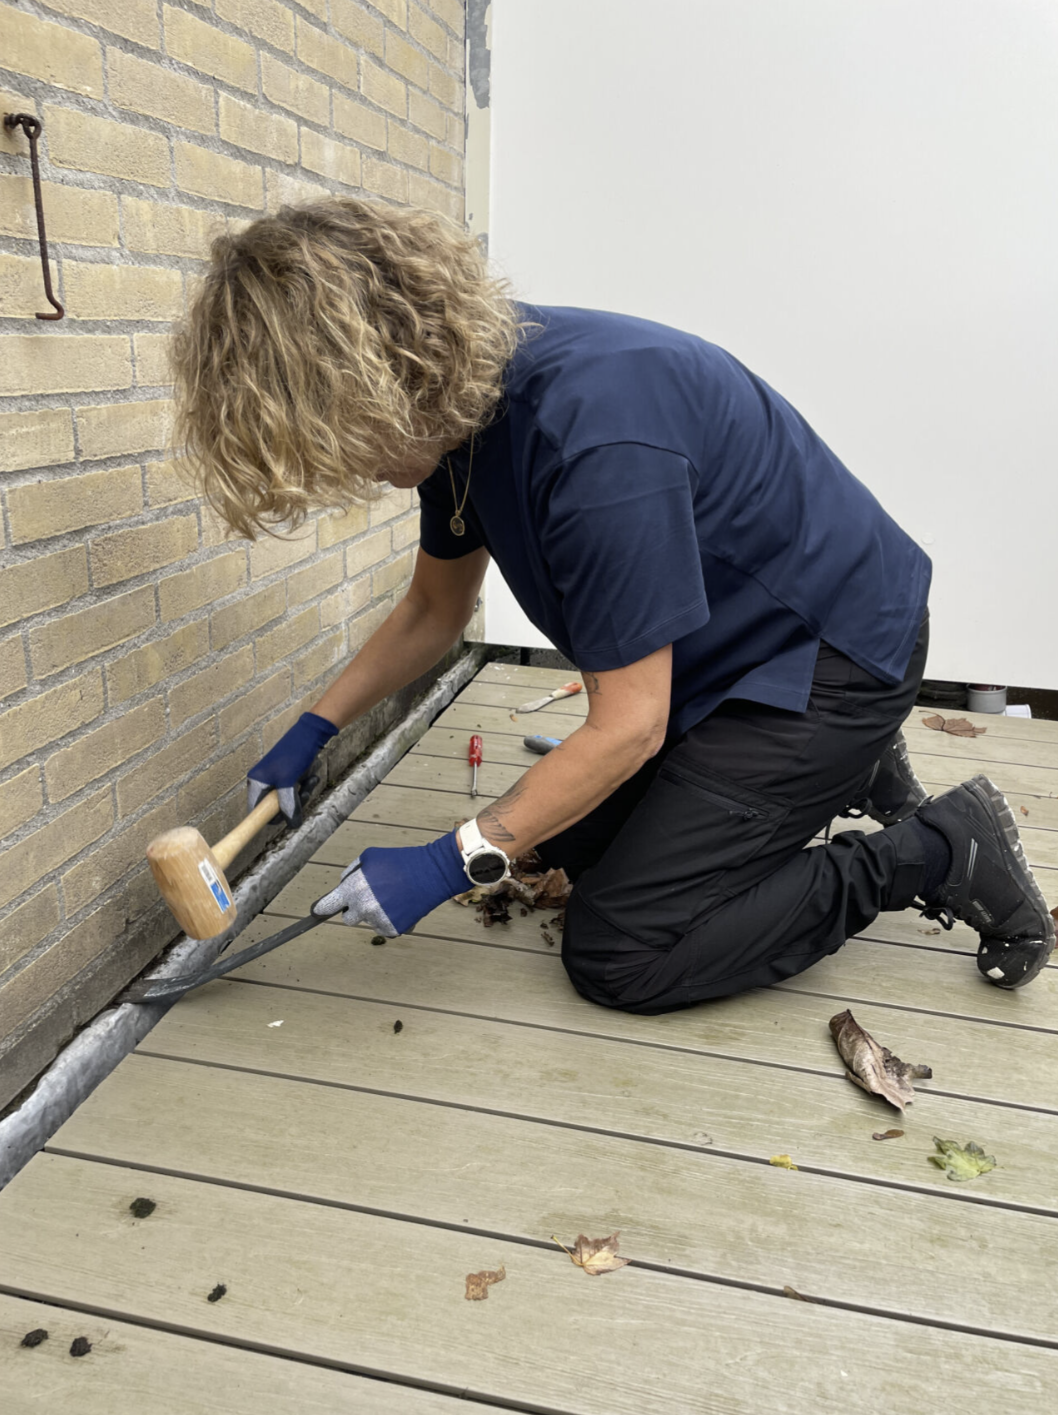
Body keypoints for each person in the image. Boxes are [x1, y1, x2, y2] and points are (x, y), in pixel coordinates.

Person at [172, 197, 1054, 1013]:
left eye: (336, 436)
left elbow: (630, 725)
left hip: (835, 656)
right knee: (572, 843)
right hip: (735, 658)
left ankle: (938, 848)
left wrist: (455, 858)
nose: (353, 470)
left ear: (382, 375)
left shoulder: (590, 444)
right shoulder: (458, 414)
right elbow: (434, 610)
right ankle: (842, 770)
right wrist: (314, 729)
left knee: (623, 948)